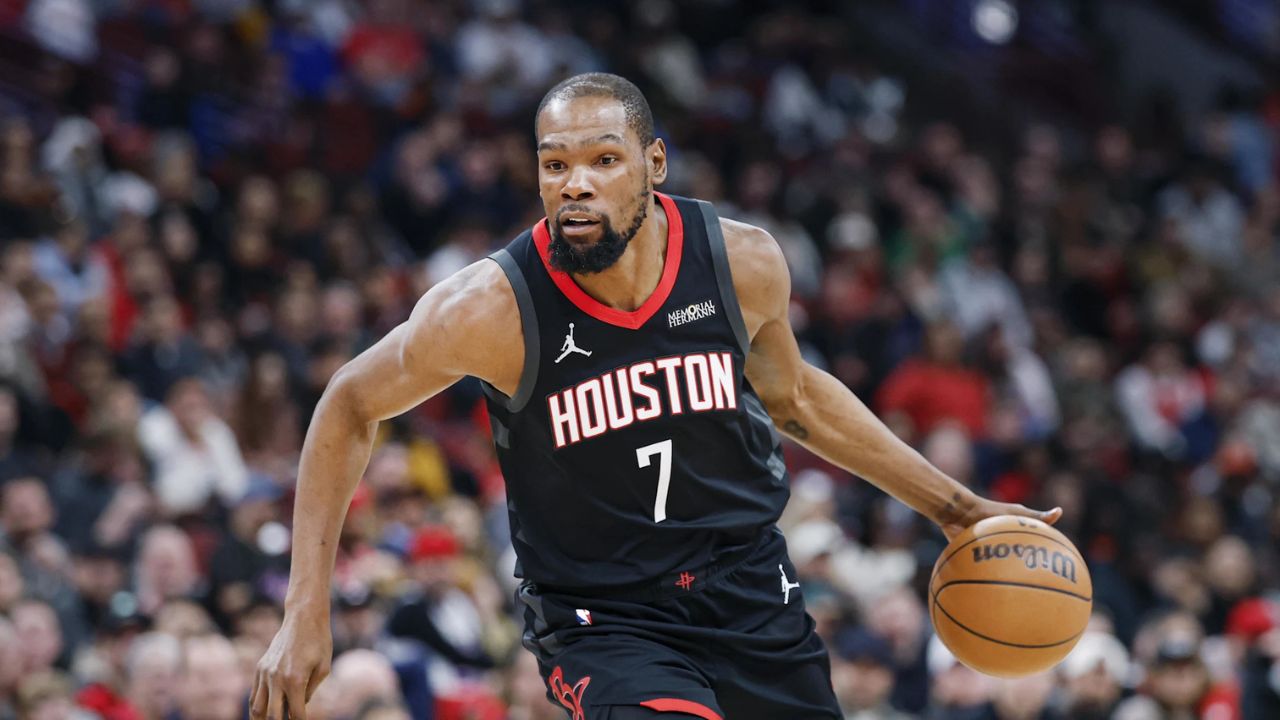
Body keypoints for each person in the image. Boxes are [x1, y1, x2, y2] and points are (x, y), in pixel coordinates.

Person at [253, 72, 1060, 720]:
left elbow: (797, 402)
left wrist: (955, 509)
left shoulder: (740, 263)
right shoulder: (490, 310)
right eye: (554, 164)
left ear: (655, 164)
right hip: (604, 617)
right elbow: (349, 404)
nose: (575, 184)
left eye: (604, 160)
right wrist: (304, 608)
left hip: (746, 588)